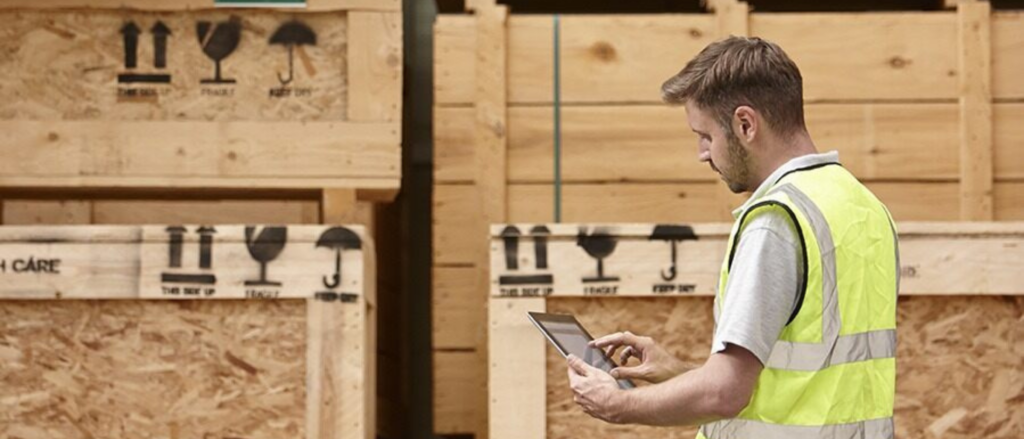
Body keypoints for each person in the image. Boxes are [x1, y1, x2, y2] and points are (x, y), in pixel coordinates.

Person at [565, 36, 900, 439]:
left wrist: (619, 403)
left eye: (705, 136)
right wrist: (681, 374)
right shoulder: (864, 207)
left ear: (745, 124)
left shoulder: (777, 221)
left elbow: (725, 394)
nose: (702, 154)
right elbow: (804, 382)